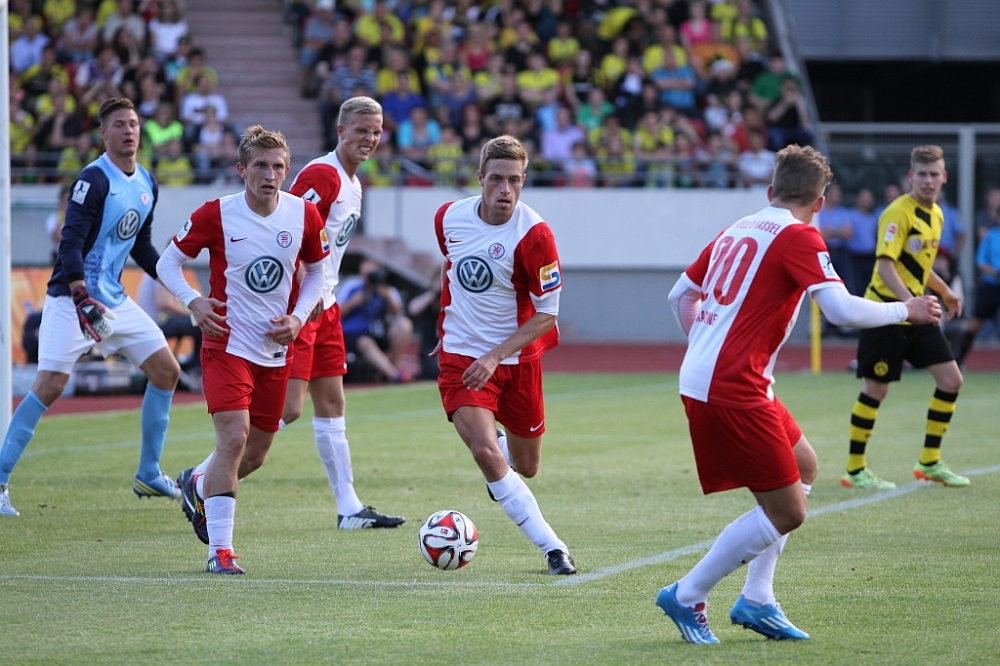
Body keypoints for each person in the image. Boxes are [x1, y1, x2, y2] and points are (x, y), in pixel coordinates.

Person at [659, 145, 942, 643]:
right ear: (821, 201)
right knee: (788, 511)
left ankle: (757, 597)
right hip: (733, 385)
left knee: (804, 464)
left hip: (719, 377)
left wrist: (706, 347)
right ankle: (686, 594)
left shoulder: (739, 226)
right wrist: (907, 311)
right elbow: (840, 310)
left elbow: (680, 294)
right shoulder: (799, 235)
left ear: (771, 191)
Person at [156, 125, 329, 574]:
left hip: (275, 351)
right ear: (242, 170)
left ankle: (197, 480)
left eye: (277, 167)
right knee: (233, 439)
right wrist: (194, 302)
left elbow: (317, 272)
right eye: (260, 166)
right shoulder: (217, 214)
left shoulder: (305, 216)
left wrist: (298, 316)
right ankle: (221, 553)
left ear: (287, 171)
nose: (269, 175)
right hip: (226, 344)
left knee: (254, 454)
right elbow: (167, 262)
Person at [0, 98, 181, 517]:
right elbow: (70, 242)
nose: (129, 131)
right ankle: (1, 480)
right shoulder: (93, 180)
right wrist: (81, 295)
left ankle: (149, 473)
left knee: (167, 371)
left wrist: (176, 282)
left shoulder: (147, 183)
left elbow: (141, 245)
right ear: (104, 133)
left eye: (134, 123)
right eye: (119, 124)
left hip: (115, 300)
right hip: (72, 301)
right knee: (49, 386)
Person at [431, 135, 577, 576]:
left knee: (526, 466)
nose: (505, 191)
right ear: (480, 179)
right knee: (487, 454)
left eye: (514, 181)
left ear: (524, 181)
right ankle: (554, 549)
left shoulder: (536, 235)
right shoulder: (448, 218)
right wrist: (446, 323)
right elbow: (451, 266)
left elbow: (548, 315)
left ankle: (497, 452)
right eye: (496, 179)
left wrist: (496, 355)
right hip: (462, 358)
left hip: (518, 361)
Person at [277, 96, 405, 531]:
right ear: (341, 131)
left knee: (332, 404)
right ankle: (203, 478)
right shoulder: (322, 174)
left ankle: (349, 507)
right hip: (304, 306)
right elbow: (285, 231)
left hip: (326, 305)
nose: (369, 138)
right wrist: (297, 303)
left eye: (376, 131)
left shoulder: (353, 184)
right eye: (362, 130)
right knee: (288, 409)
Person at [842, 146, 968, 490]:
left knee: (951, 381)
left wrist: (945, 292)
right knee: (876, 389)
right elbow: (885, 264)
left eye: (934, 174)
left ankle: (929, 461)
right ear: (911, 177)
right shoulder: (897, 213)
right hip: (885, 312)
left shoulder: (938, 215)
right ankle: (855, 469)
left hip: (918, 313)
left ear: (944, 177)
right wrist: (910, 304)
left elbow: (920, 267)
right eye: (921, 174)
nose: (928, 181)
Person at [339, 260, 415, 383]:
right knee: (365, 342)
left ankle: (391, 370)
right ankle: (395, 376)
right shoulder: (352, 286)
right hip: (355, 334)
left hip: (378, 331)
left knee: (404, 324)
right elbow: (337, 312)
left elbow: (397, 312)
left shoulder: (386, 290)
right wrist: (354, 301)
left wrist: (387, 297)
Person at [953, 223, 1000, 367]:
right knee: (975, 324)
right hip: (991, 286)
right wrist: (997, 274)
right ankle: (958, 360)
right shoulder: (991, 236)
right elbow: (980, 262)